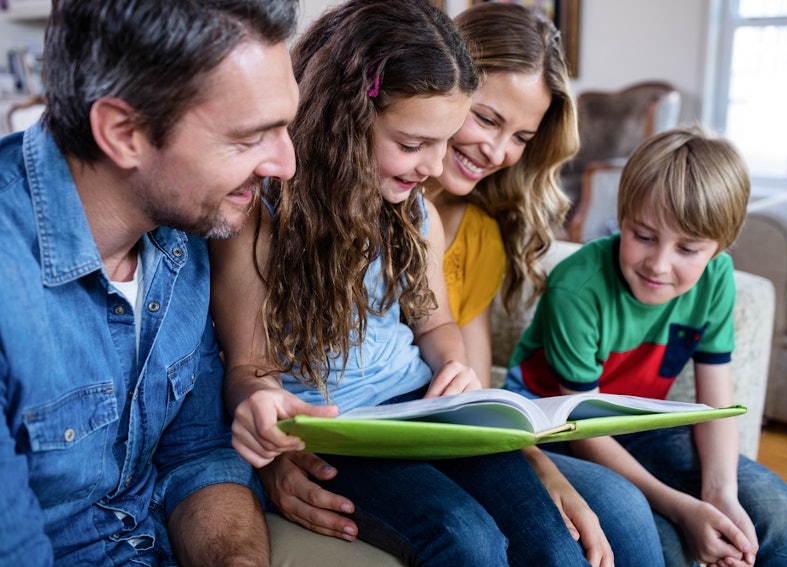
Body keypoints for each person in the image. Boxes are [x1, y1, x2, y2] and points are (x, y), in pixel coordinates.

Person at [210, 1, 594, 564]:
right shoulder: (259, 217)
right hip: (338, 431)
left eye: (442, 142)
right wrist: (260, 403)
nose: (434, 168)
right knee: (466, 538)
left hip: (422, 409)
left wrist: (453, 365)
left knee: (551, 539)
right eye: (413, 145)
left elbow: (434, 321)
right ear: (346, 121)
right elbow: (247, 366)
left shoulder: (415, 215)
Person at [0, 0, 337, 565]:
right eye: (251, 136)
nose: (286, 164)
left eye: (285, 126)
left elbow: (197, 453)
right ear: (123, 131)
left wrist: (236, 560)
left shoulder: (183, 233)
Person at [422, 3, 663, 565]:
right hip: (386, 431)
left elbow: (476, 392)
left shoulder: (479, 232)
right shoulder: (362, 205)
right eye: (486, 118)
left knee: (619, 512)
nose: (498, 152)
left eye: (521, 136)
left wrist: (537, 464)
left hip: (454, 433)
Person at [504, 125, 787, 566]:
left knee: (772, 509)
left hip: (636, 426)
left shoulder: (718, 279)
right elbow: (585, 432)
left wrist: (720, 495)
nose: (659, 265)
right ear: (622, 218)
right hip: (557, 433)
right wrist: (685, 507)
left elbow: (714, 405)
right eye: (643, 236)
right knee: (668, 544)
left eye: (688, 248)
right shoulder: (577, 288)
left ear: (719, 248)